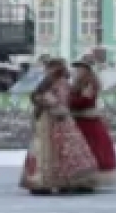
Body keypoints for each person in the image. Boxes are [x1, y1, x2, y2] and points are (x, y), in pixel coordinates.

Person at [18, 61, 98, 195]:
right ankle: (64, 181)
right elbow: (60, 99)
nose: (47, 71)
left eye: (49, 68)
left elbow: (56, 100)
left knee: (56, 149)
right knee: (60, 149)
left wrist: (42, 100)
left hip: (54, 119)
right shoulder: (60, 82)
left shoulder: (57, 82)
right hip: (54, 119)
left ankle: (48, 181)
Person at [68, 59, 116, 188]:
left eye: (80, 68)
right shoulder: (78, 83)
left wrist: (68, 102)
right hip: (80, 120)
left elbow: (84, 102)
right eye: (77, 68)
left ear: (87, 70)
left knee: (91, 149)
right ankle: (79, 176)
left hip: (87, 121)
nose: (77, 70)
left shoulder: (90, 83)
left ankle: (90, 177)